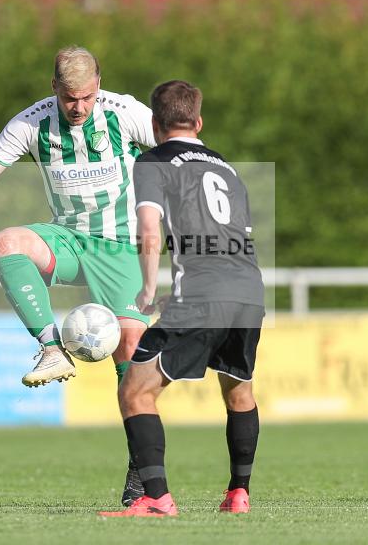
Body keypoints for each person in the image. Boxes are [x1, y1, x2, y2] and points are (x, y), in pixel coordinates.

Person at [0, 46, 155, 506]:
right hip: (69, 240)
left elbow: (179, 151)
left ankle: (142, 472)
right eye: (69, 97)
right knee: (6, 242)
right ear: (53, 87)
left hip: (122, 246)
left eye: (86, 96)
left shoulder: (127, 112)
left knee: (131, 360)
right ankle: (51, 348)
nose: (78, 107)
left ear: (98, 83)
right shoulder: (31, 122)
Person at [99, 80, 265, 517]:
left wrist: (148, 290)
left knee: (135, 390)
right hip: (249, 290)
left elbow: (150, 231)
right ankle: (238, 493)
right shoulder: (227, 168)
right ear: (199, 121)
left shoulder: (153, 160)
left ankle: (155, 497)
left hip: (202, 294)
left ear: (154, 124)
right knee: (238, 389)